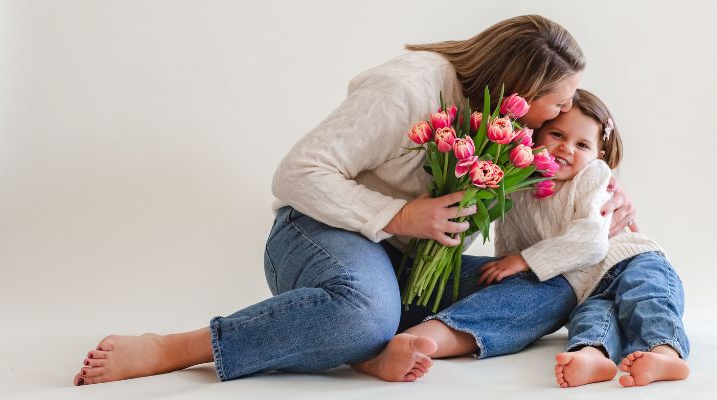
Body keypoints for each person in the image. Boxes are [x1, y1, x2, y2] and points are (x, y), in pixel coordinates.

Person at [72, 15, 638, 386]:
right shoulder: (408, 89)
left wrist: (601, 199)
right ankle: (179, 346)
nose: (558, 118)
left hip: (402, 259)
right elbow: (297, 173)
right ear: (522, 88)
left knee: (556, 285)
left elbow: (546, 204)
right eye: (556, 104)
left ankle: (388, 344)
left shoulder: (500, 124)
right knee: (361, 311)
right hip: (317, 235)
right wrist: (400, 214)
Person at [469, 89, 689, 387]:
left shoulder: (593, 175)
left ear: (598, 154)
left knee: (646, 298)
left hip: (629, 261)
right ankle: (592, 355)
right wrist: (511, 265)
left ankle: (665, 352)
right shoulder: (517, 187)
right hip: (584, 284)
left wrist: (524, 261)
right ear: (534, 137)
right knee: (592, 316)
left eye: (581, 144)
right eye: (557, 135)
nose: (566, 149)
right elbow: (512, 242)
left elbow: (591, 239)